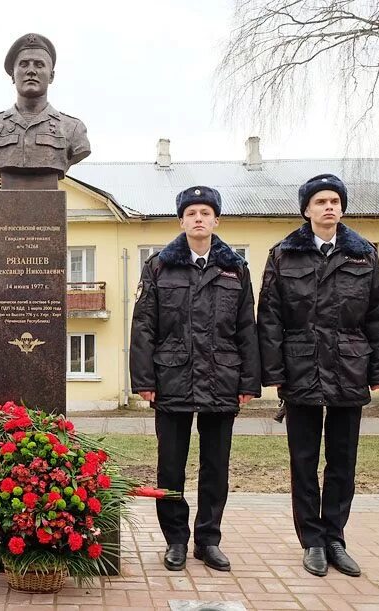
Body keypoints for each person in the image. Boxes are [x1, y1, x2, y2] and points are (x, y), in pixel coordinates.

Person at [257, 174, 379, 578]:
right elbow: (270, 318)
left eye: (335, 201)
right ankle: (312, 541)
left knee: (342, 461)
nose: (328, 207)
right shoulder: (283, 255)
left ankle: (334, 537)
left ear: (342, 208)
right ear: (306, 210)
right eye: (320, 202)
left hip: (350, 369)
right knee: (303, 461)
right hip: (300, 370)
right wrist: (275, 372)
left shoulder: (364, 254)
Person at [130, 186, 260, 572]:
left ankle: (208, 539)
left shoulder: (235, 267)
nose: (199, 218)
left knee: (215, 466)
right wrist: (144, 380)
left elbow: (246, 328)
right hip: (172, 379)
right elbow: (143, 327)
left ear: (216, 219)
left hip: (222, 379)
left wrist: (249, 382)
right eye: (191, 213)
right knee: (170, 466)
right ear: (181, 221)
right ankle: (175, 540)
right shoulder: (158, 266)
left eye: (205, 212)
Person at [0, 33, 90, 185]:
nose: (31, 71)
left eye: (39, 65)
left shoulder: (73, 129)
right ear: (13, 76)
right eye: (24, 64)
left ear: (52, 76)